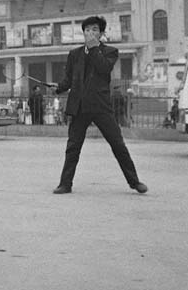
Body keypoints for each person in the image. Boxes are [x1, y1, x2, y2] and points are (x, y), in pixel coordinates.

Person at [47, 16, 147, 195]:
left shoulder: (110, 51)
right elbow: (69, 79)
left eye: (94, 30)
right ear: (83, 32)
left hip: (101, 106)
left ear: (101, 34)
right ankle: (65, 184)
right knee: (73, 147)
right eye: (87, 30)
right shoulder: (74, 54)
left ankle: (134, 181)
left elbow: (103, 69)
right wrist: (59, 87)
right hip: (79, 107)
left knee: (118, 144)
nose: (90, 33)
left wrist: (93, 48)